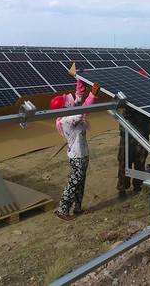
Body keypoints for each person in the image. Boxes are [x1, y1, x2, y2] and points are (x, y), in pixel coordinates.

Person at [51, 79, 100, 221]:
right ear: (65, 107)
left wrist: (80, 79)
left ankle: (78, 207)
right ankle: (63, 210)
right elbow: (83, 111)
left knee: (81, 181)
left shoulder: (68, 114)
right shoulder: (66, 120)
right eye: (68, 102)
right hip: (77, 156)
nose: (71, 101)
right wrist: (92, 96)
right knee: (74, 182)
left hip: (83, 153)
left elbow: (78, 98)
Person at [117, 70, 150, 199]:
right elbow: (124, 111)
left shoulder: (149, 96)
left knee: (140, 162)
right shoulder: (126, 95)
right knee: (124, 162)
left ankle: (138, 185)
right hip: (127, 135)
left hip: (142, 134)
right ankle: (122, 189)